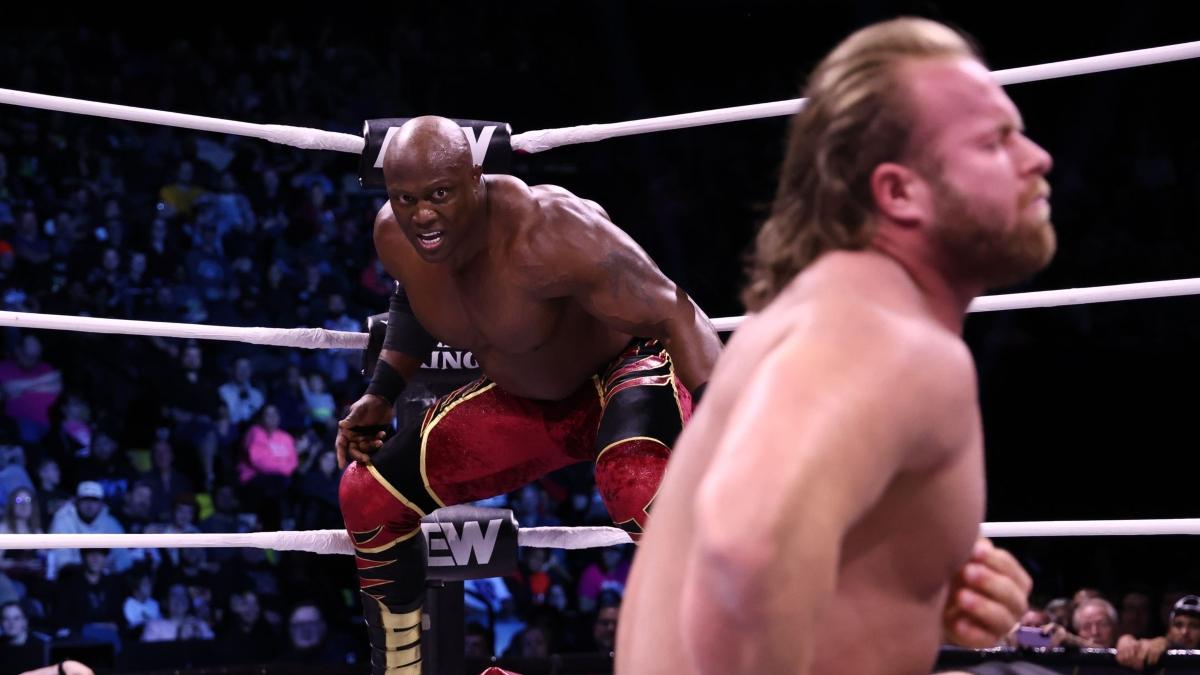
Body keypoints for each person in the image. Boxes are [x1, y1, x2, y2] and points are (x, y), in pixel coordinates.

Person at [618, 17, 1052, 675]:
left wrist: (924, 579)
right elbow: (747, 546)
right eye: (996, 141)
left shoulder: (829, 314)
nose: (1037, 157)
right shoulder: (884, 337)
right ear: (900, 191)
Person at [336, 115, 722, 673]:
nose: (422, 215)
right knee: (368, 496)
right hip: (528, 402)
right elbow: (417, 305)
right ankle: (399, 669)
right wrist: (383, 392)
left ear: (475, 178)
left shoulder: (548, 228)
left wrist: (728, 436)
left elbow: (678, 313)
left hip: (623, 372)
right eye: (406, 198)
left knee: (636, 484)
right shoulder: (396, 237)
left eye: (439, 194)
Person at [1116, 594, 1200, 671]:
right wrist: (1126, 640)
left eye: (1194, 626)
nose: (1185, 632)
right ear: (1170, 630)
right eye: (1178, 625)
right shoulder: (1157, 649)